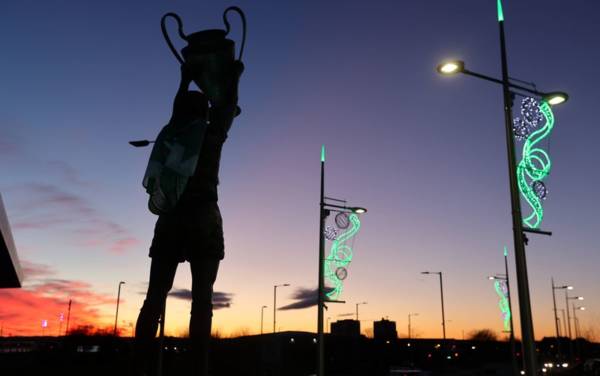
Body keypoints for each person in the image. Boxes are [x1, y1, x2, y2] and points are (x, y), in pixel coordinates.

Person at [134, 60, 242, 376]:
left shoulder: (171, 135)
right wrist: (234, 76)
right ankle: (199, 368)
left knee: (154, 296)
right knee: (202, 301)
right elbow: (228, 106)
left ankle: (139, 365)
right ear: (204, 113)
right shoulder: (210, 135)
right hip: (204, 219)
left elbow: (176, 111)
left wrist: (185, 80)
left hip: (170, 218)